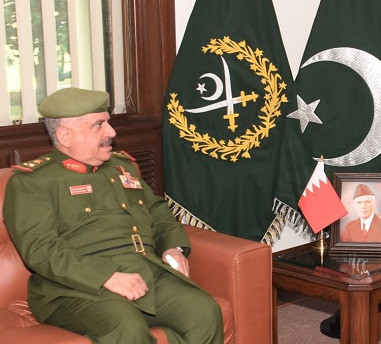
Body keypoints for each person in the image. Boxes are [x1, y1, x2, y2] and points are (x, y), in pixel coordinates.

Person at [3, 88, 223, 344]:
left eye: (108, 122)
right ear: (65, 135)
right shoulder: (33, 183)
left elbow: (155, 210)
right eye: (99, 125)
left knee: (204, 311)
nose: (112, 132)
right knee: (126, 327)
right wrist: (107, 277)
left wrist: (172, 247)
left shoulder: (122, 167)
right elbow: (41, 250)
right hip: (75, 289)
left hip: (143, 272)